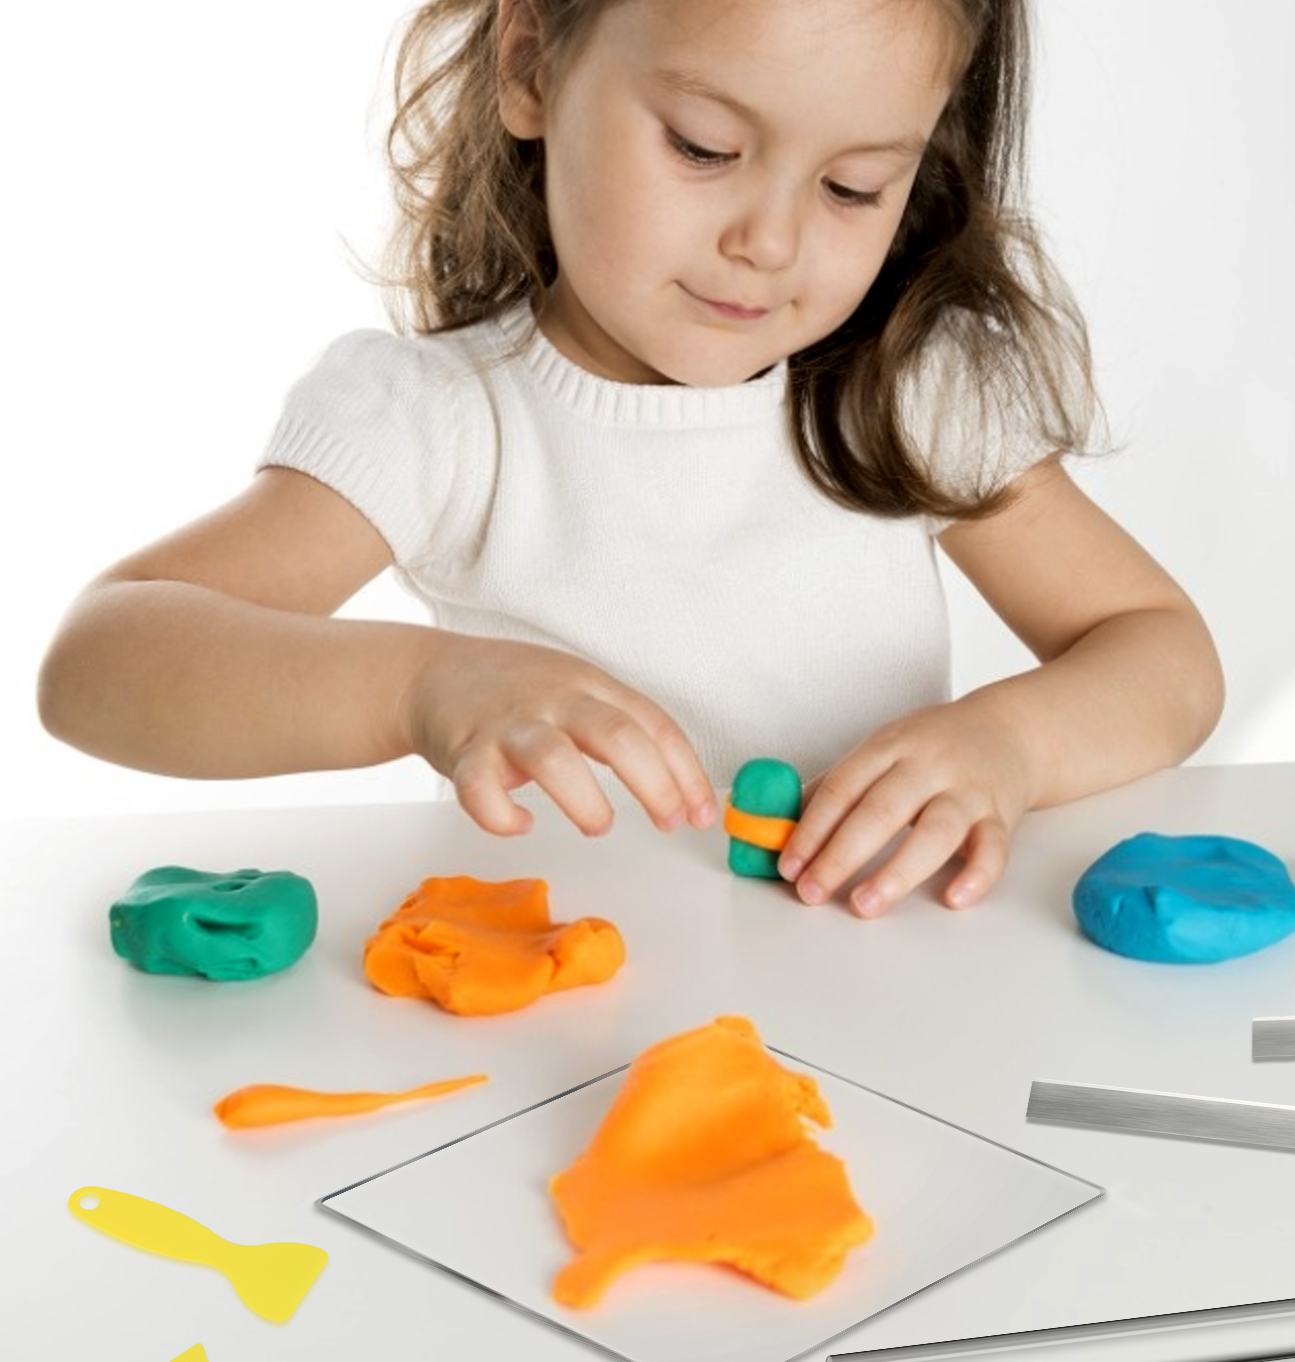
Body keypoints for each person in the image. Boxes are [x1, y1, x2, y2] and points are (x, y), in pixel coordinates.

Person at [37, 0, 1223, 919]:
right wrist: (415, 688)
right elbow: (99, 662)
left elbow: (1159, 650)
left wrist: (1008, 746)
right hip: (561, 1027)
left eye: (852, 185)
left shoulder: (906, 393)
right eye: (705, 148)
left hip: (869, 1002)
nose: (769, 241)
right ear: (530, 66)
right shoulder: (445, 417)